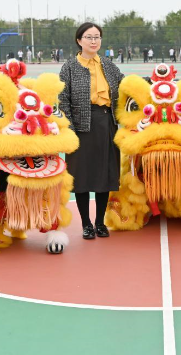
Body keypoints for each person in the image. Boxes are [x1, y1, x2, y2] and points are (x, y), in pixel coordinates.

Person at [59, 23, 124, 240]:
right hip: (80, 127)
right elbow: (62, 100)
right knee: (82, 177)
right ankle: (86, 224)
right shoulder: (69, 67)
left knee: (105, 174)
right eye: (89, 37)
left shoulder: (108, 65)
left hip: (107, 124)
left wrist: (150, 83)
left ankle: (100, 223)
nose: (94, 41)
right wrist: (69, 129)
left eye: (97, 37)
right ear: (79, 40)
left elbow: (125, 86)